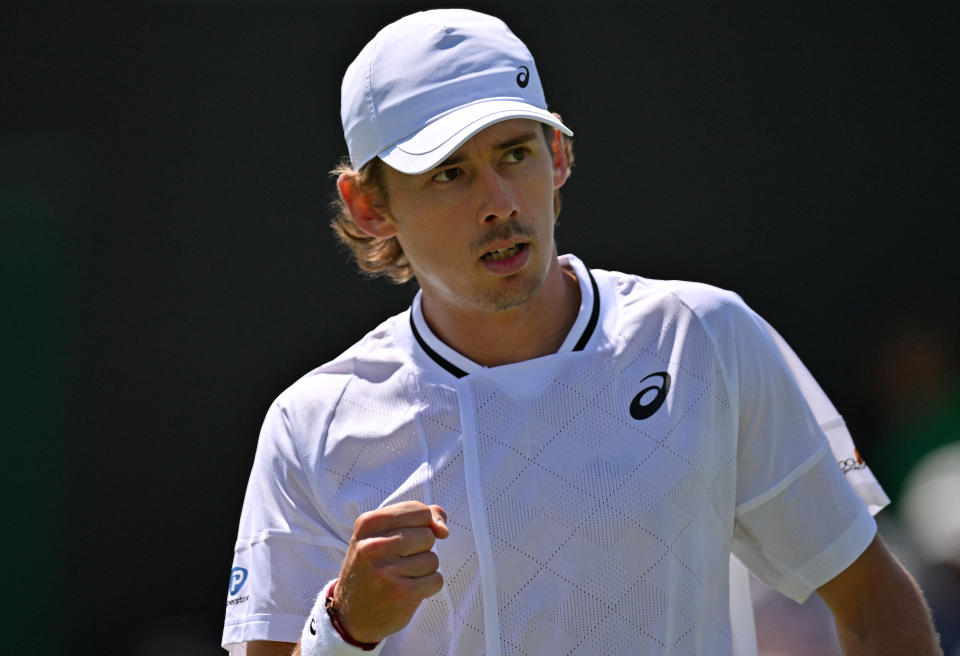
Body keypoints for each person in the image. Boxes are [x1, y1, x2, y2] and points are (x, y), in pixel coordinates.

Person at [222, 9, 941, 656]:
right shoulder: (309, 426)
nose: (499, 205)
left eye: (515, 154)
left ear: (558, 155)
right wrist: (345, 628)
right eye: (449, 175)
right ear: (369, 204)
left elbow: (876, 610)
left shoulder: (705, 338)